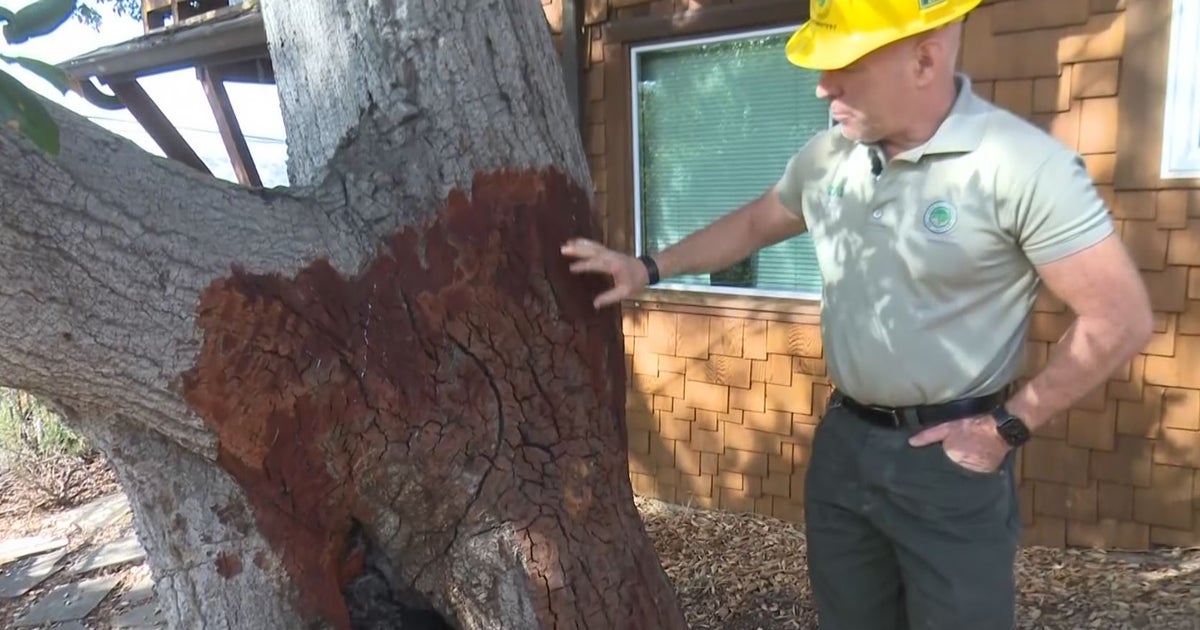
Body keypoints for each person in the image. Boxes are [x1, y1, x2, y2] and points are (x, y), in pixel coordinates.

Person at [561, 0, 1154, 628]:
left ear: (925, 57)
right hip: (845, 446)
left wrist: (1005, 427)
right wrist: (646, 268)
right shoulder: (829, 158)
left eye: (844, 63)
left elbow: (1118, 318)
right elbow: (757, 222)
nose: (823, 85)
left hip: (949, 461)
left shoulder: (1020, 166)